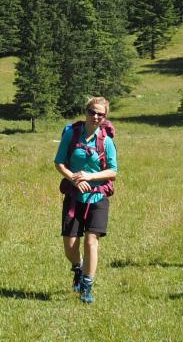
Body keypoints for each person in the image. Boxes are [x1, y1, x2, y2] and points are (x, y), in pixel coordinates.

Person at [54, 96, 118, 305]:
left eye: (101, 114)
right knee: (70, 245)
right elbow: (59, 162)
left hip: (97, 197)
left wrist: (90, 177)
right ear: (86, 112)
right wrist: (73, 178)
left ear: (105, 117)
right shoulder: (71, 135)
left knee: (92, 241)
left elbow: (113, 171)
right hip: (74, 197)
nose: (96, 117)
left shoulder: (106, 141)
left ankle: (87, 286)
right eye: (93, 112)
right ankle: (78, 268)